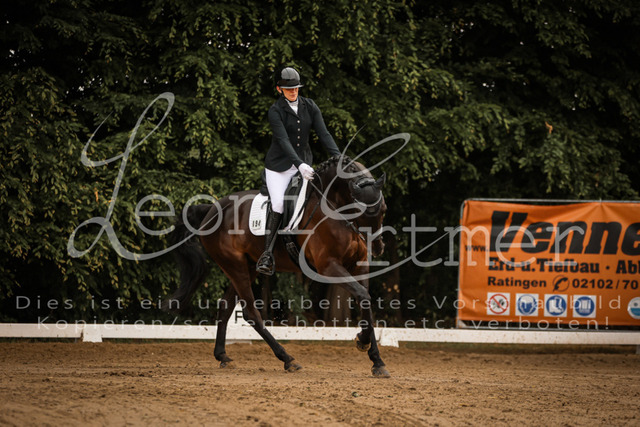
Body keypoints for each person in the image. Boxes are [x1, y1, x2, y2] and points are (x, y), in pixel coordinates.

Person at [256, 66, 341, 275]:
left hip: (304, 163)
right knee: (278, 203)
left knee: (316, 199)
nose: (293, 92)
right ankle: (267, 254)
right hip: (279, 167)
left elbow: (324, 134)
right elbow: (283, 140)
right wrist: (299, 164)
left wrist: (339, 158)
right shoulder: (275, 111)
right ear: (279, 89)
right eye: (289, 89)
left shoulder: (310, 106)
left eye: (296, 88)